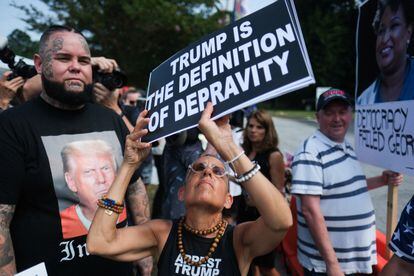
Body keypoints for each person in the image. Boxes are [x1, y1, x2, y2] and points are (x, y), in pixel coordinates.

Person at [0, 25, 150, 275]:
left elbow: (133, 186)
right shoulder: (12, 125)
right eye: (63, 58)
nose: (76, 67)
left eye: (83, 60)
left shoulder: (110, 119)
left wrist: (144, 250)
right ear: (39, 65)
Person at [86, 103, 293, 276]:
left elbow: (281, 221)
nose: (208, 172)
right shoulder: (162, 233)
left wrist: (227, 146)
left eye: (218, 171)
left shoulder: (239, 239)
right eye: (199, 167)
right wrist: (128, 166)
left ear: (228, 200)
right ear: (182, 193)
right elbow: (99, 242)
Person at [291, 88, 403, 275]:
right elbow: (310, 210)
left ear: (350, 115)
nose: (337, 118)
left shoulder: (345, 146)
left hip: (348, 263)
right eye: (329, 113)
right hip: (326, 266)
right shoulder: (309, 152)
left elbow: (347, 188)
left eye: (342, 112)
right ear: (317, 117)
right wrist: (332, 264)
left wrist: (382, 180)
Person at [237, 109, 285, 276]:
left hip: (265, 216)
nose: (253, 130)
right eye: (250, 126)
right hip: (244, 213)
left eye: (259, 127)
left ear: (267, 130)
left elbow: (279, 193)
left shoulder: (274, 155)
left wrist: (258, 200)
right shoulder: (245, 152)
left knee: (267, 266)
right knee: (251, 263)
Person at [60, 140, 128, 239]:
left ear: (116, 172)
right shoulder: (61, 223)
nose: (101, 179)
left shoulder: (125, 211)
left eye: (105, 168)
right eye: (88, 172)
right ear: (71, 181)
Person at [357, 0, 414, 104]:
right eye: (381, 31)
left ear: (409, 31)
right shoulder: (364, 101)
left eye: (394, 26)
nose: (384, 39)